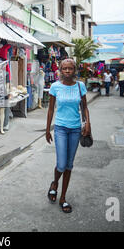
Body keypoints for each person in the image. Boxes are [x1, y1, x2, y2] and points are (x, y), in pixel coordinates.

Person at [45, 58, 91, 213]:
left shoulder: (80, 86)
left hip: (75, 129)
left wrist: (88, 123)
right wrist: (47, 129)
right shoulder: (55, 87)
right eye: (64, 68)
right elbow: (51, 109)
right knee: (61, 164)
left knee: (69, 165)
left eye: (70, 68)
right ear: (60, 70)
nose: (67, 71)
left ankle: (63, 197)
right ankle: (54, 183)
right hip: (60, 129)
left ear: (74, 70)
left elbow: (84, 107)